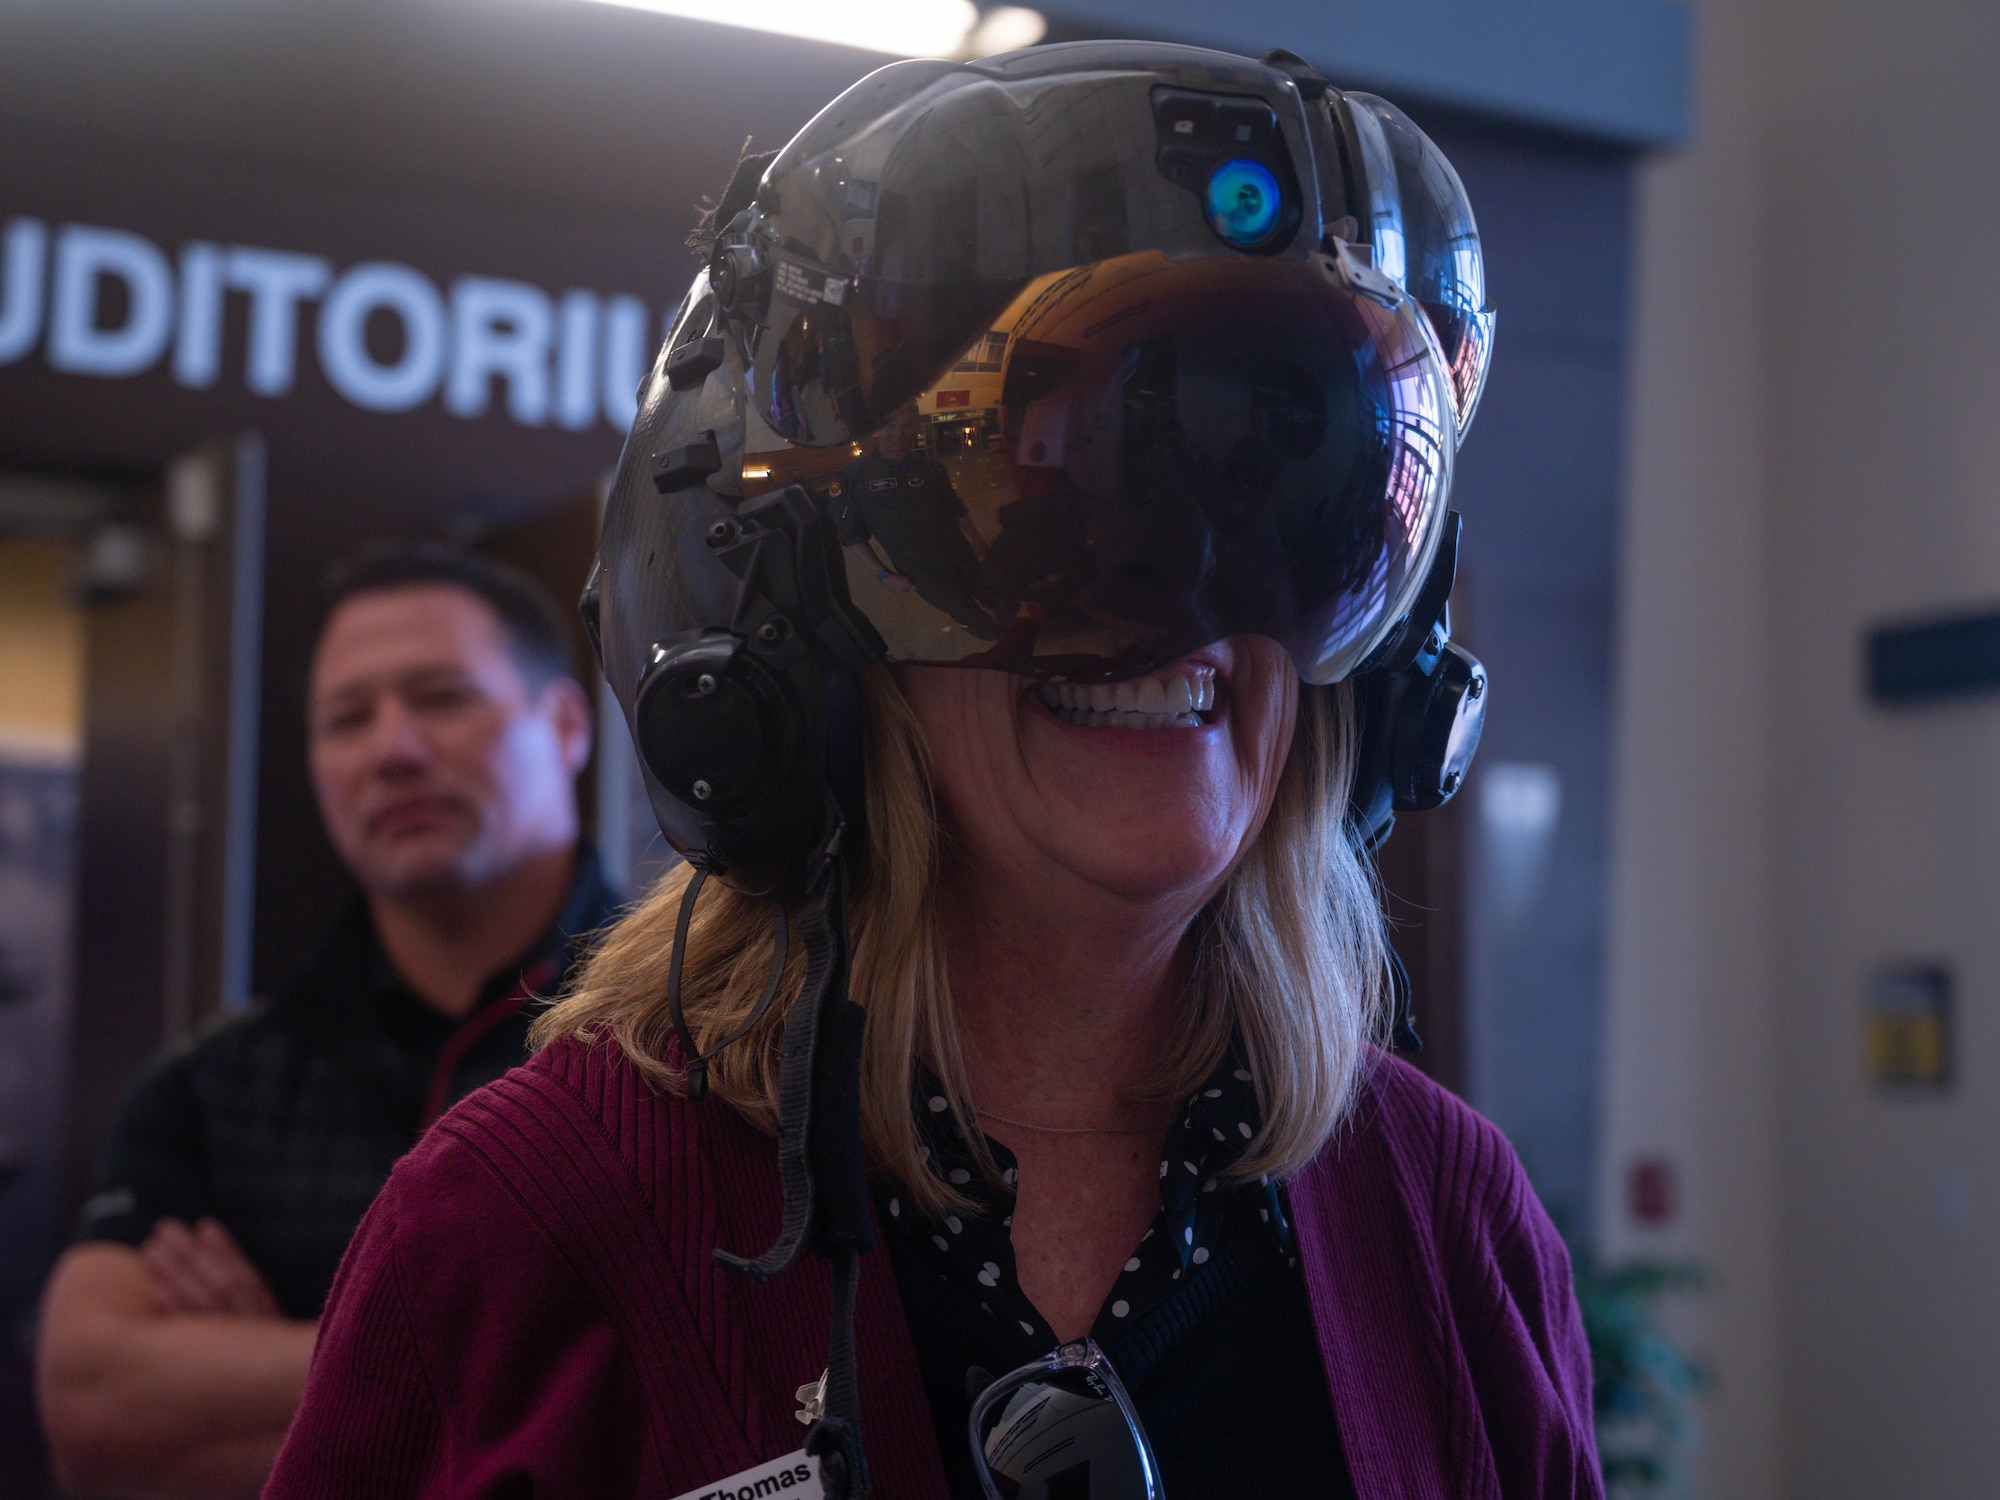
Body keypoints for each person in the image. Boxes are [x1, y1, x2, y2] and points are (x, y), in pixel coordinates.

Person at [268, 43, 1583, 1500]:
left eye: (1283, 513)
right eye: (1052, 512)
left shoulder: (1445, 1215)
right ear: (800, 645)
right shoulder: (524, 1224)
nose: (1190, 601)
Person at [36, 543, 619, 1499]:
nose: (393, 749)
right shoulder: (210, 1090)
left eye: (440, 698)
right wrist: (564, 1374)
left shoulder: (700, 1038)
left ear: (562, 723)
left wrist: (278, 1363)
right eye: (348, 718)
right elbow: (97, 1413)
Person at [832, 403, 1003, 637]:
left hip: (959, 554)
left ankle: (1019, 630)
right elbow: (851, 536)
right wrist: (884, 575)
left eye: (906, 426)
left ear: (917, 427)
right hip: (920, 570)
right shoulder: (851, 478)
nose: (899, 433)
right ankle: (1002, 645)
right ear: (877, 429)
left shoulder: (931, 469)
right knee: (968, 615)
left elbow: (954, 507)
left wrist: (975, 537)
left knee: (997, 595)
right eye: (891, 426)